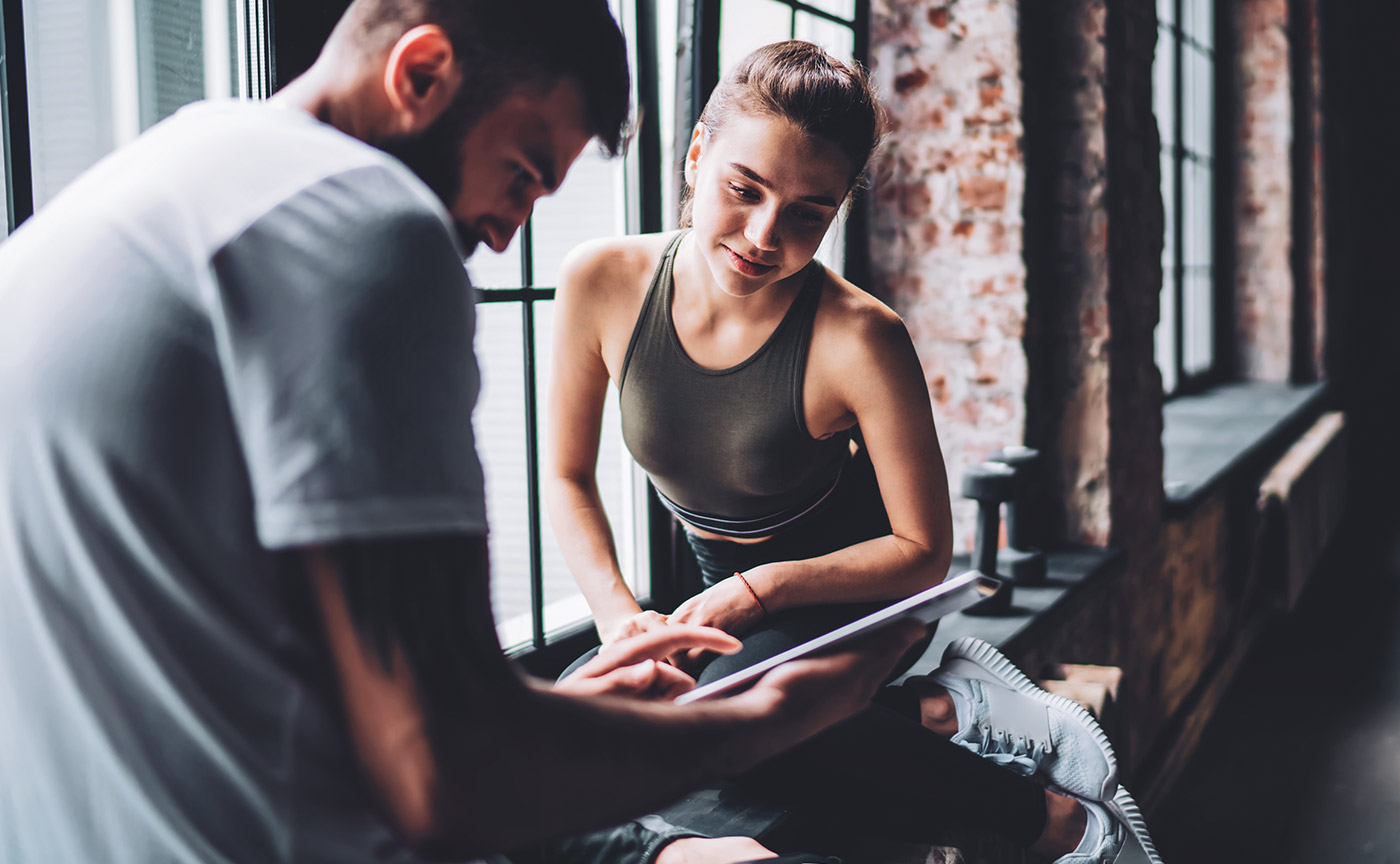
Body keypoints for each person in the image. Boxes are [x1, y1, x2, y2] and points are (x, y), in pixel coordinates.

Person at [0, 4, 926, 862]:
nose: (507, 230)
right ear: (423, 71)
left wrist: (544, 714)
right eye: (522, 172)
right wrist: (770, 718)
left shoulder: (170, 173)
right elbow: (440, 775)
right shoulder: (362, 231)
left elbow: (292, 671)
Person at [547, 40, 1162, 864]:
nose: (765, 235)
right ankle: (939, 716)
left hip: (864, 602)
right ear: (697, 155)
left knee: (740, 722)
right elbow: (566, 476)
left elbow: (921, 551)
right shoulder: (600, 281)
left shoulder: (861, 336)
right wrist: (622, 621)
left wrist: (758, 592)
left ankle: (1059, 826)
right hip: (728, 615)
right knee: (586, 722)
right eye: (744, 189)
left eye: (809, 213)